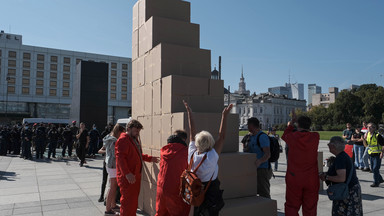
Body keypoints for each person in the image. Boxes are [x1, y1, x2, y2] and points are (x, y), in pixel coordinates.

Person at [184, 100, 232, 216]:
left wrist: (189, 113)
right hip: (211, 192)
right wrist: (224, 116)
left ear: (196, 143)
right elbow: (222, 136)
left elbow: (192, 133)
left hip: (195, 190)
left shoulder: (192, 154)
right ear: (211, 143)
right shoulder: (212, 156)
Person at [115, 120, 159, 216]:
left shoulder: (133, 139)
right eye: (136, 131)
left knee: (133, 202)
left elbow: (138, 154)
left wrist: (150, 158)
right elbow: (120, 158)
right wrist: (127, 173)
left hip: (134, 177)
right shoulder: (123, 140)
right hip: (128, 178)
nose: (137, 133)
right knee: (127, 203)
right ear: (128, 129)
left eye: (138, 131)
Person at [282, 112, 320, 216]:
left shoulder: (292, 137)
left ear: (298, 125)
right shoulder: (315, 137)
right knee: (310, 207)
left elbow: (284, 135)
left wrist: (291, 123)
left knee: (291, 206)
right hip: (311, 177)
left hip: (294, 176)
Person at [319, 136, 362, 216]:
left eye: (329, 143)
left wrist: (327, 177)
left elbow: (341, 178)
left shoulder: (340, 159)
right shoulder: (343, 156)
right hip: (350, 191)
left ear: (333, 146)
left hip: (347, 194)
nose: (328, 145)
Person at [156, 130, 190, 216]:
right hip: (175, 191)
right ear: (183, 139)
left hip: (161, 188)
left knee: (160, 213)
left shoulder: (163, 150)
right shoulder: (185, 152)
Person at [102, 124, 125, 215]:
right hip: (113, 165)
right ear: (119, 132)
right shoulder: (114, 141)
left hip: (108, 164)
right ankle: (108, 210)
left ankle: (113, 205)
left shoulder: (108, 137)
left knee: (112, 186)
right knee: (113, 187)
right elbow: (116, 154)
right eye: (122, 133)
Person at [247, 117, 272, 198]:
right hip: (254, 168)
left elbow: (268, 154)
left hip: (262, 169)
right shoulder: (251, 136)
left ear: (253, 126)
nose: (248, 128)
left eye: (249, 126)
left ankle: (267, 208)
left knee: (264, 192)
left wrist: (260, 161)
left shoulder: (262, 137)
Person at [363, 123, 384, 187]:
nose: (369, 128)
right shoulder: (368, 135)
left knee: (375, 168)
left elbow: (383, 145)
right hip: (371, 154)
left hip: (377, 154)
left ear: (374, 128)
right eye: (368, 127)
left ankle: (376, 182)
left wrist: (382, 153)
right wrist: (364, 139)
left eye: (370, 127)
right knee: (373, 168)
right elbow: (366, 145)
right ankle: (380, 179)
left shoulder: (378, 135)